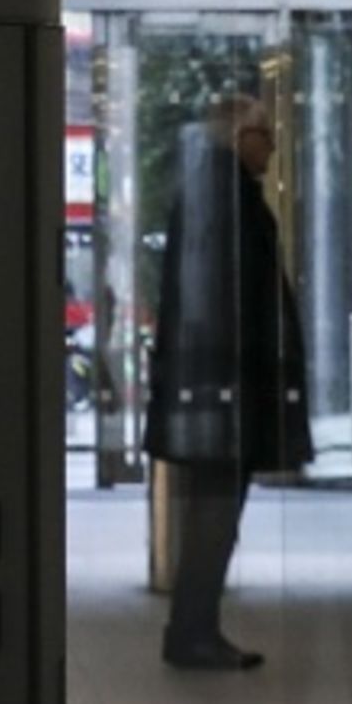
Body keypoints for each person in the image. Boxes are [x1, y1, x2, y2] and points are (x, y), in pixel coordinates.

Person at [138, 88, 307, 670]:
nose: (273, 147)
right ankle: (193, 630)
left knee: (217, 513)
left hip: (220, 385)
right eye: (265, 135)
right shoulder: (224, 199)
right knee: (215, 515)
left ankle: (195, 628)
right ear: (240, 139)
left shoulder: (216, 194)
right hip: (226, 387)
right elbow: (229, 300)